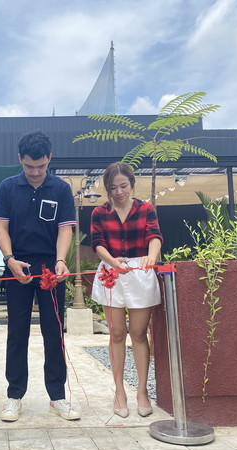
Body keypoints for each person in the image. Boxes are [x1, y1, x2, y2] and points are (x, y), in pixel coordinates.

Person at [0, 130, 80, 422]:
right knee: (16, 332)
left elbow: (64, 229)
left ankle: (57, 395)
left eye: (40, 167)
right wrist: (9, 260)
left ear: (49, 160)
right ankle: (14, 395)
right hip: (16, 265)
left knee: (53, 331)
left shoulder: (61, 189)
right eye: (29, 166)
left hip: (49, 268)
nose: (35, 172)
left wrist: (60, 261)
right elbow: (1, 228)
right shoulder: (7, 187)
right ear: (20, 159)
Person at [90, 161, 162, 418]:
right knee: (117, 333)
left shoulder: (146, 209)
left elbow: (155, 236)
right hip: (112, 271)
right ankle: (119, 391)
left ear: (131, 184)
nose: (119, 192)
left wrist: (152, 257)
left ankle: (141, 391)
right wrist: (112, 262)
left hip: (141, 272)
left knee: (139, 333)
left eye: (123, 186)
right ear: (107, 189)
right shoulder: (99, 212)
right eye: (113, 188)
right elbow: (97, 243)